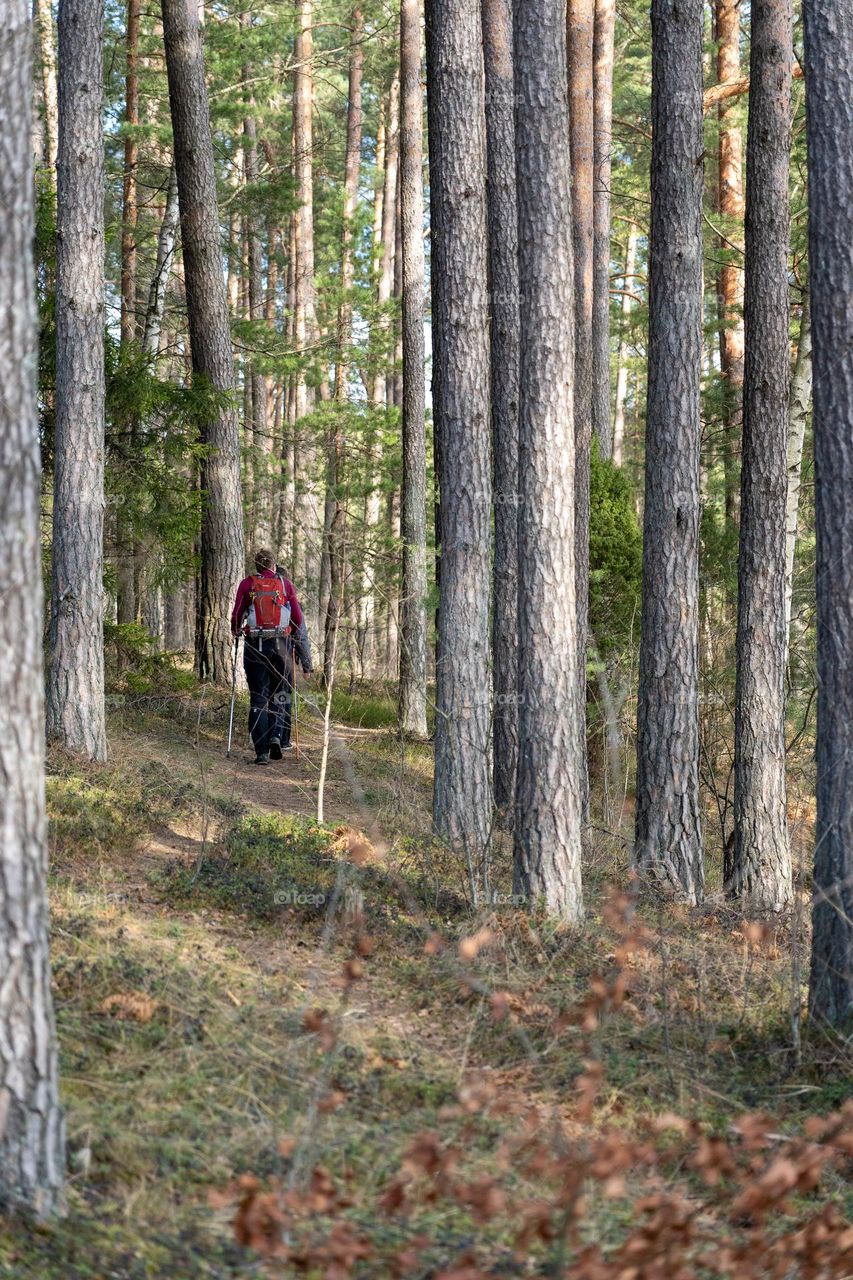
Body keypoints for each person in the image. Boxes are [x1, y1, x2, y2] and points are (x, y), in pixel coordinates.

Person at [231, 549, 313, 765]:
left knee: (258, 696)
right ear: (273, 565)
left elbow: (237, 612)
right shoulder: (285, 585)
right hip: (281, 647)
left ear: (257, 566)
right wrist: (302, 654)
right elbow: (296, 617)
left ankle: (261, 752)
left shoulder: (247, 584)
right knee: (280, 693)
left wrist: (236, 629)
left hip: (256, 646)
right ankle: (277, 735)